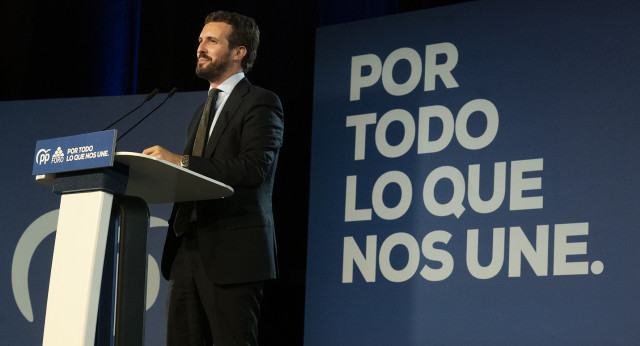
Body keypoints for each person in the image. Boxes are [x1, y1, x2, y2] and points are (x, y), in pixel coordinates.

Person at [142, 10, 284, 345]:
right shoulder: (201, 110)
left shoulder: (262, 102)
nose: (200, 48)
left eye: (211, 41)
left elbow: (253, 168)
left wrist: (182, 161)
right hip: (186, 250)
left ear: (239, 52)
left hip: (232, 252)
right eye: (200, 41)